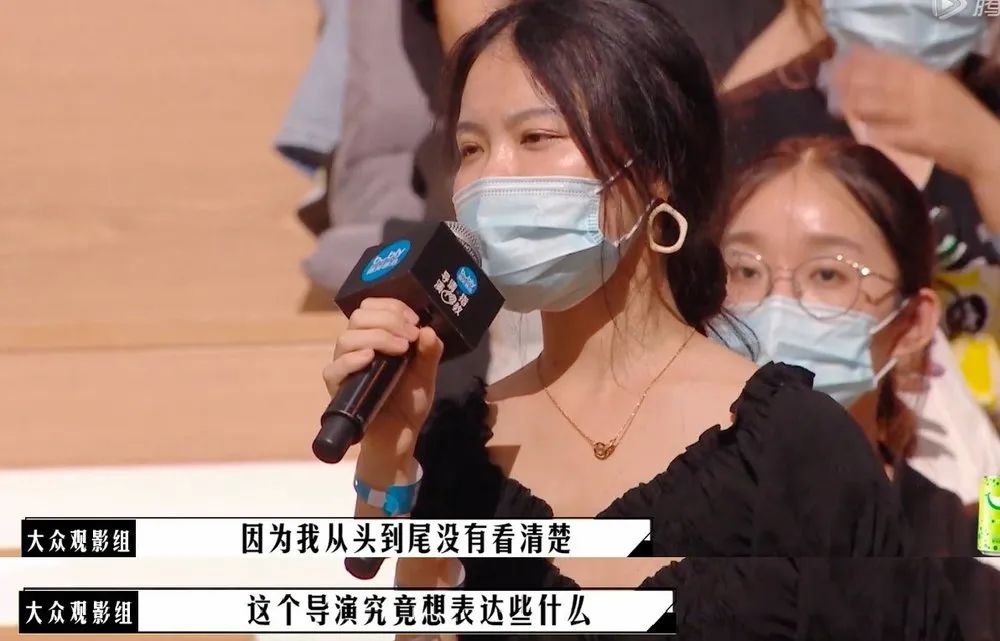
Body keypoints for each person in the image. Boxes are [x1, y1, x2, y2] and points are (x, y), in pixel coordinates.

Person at [322, 1, 961, 637]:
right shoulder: (460, 447)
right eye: (470, 147)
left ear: (655, 167)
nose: (493, 176)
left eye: (536, 138)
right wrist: (391, 459)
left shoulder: (791, 443)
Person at [710, 136, 1000, 639]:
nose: (777, 306)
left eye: (828, 274)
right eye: (744, 270)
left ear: (912, 323)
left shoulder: (963, 550)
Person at [718, 0, 1000, 504]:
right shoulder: (754, 123)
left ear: (915, 321)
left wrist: (987, 156)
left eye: (827, 274)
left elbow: (987, 533)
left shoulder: (963, 501)